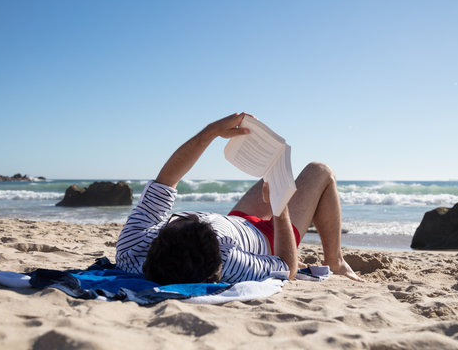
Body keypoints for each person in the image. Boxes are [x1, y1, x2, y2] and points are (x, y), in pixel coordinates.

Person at [115, 113, 362, 284]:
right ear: (220, 253)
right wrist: (280, 209)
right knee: (320, 171)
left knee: (273, 167)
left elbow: (166, 180)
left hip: (235, 222)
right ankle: (336, 261)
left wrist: (211, 132)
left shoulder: (132, 246)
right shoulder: (229, 261)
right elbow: (287, 267)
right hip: (270, 236)